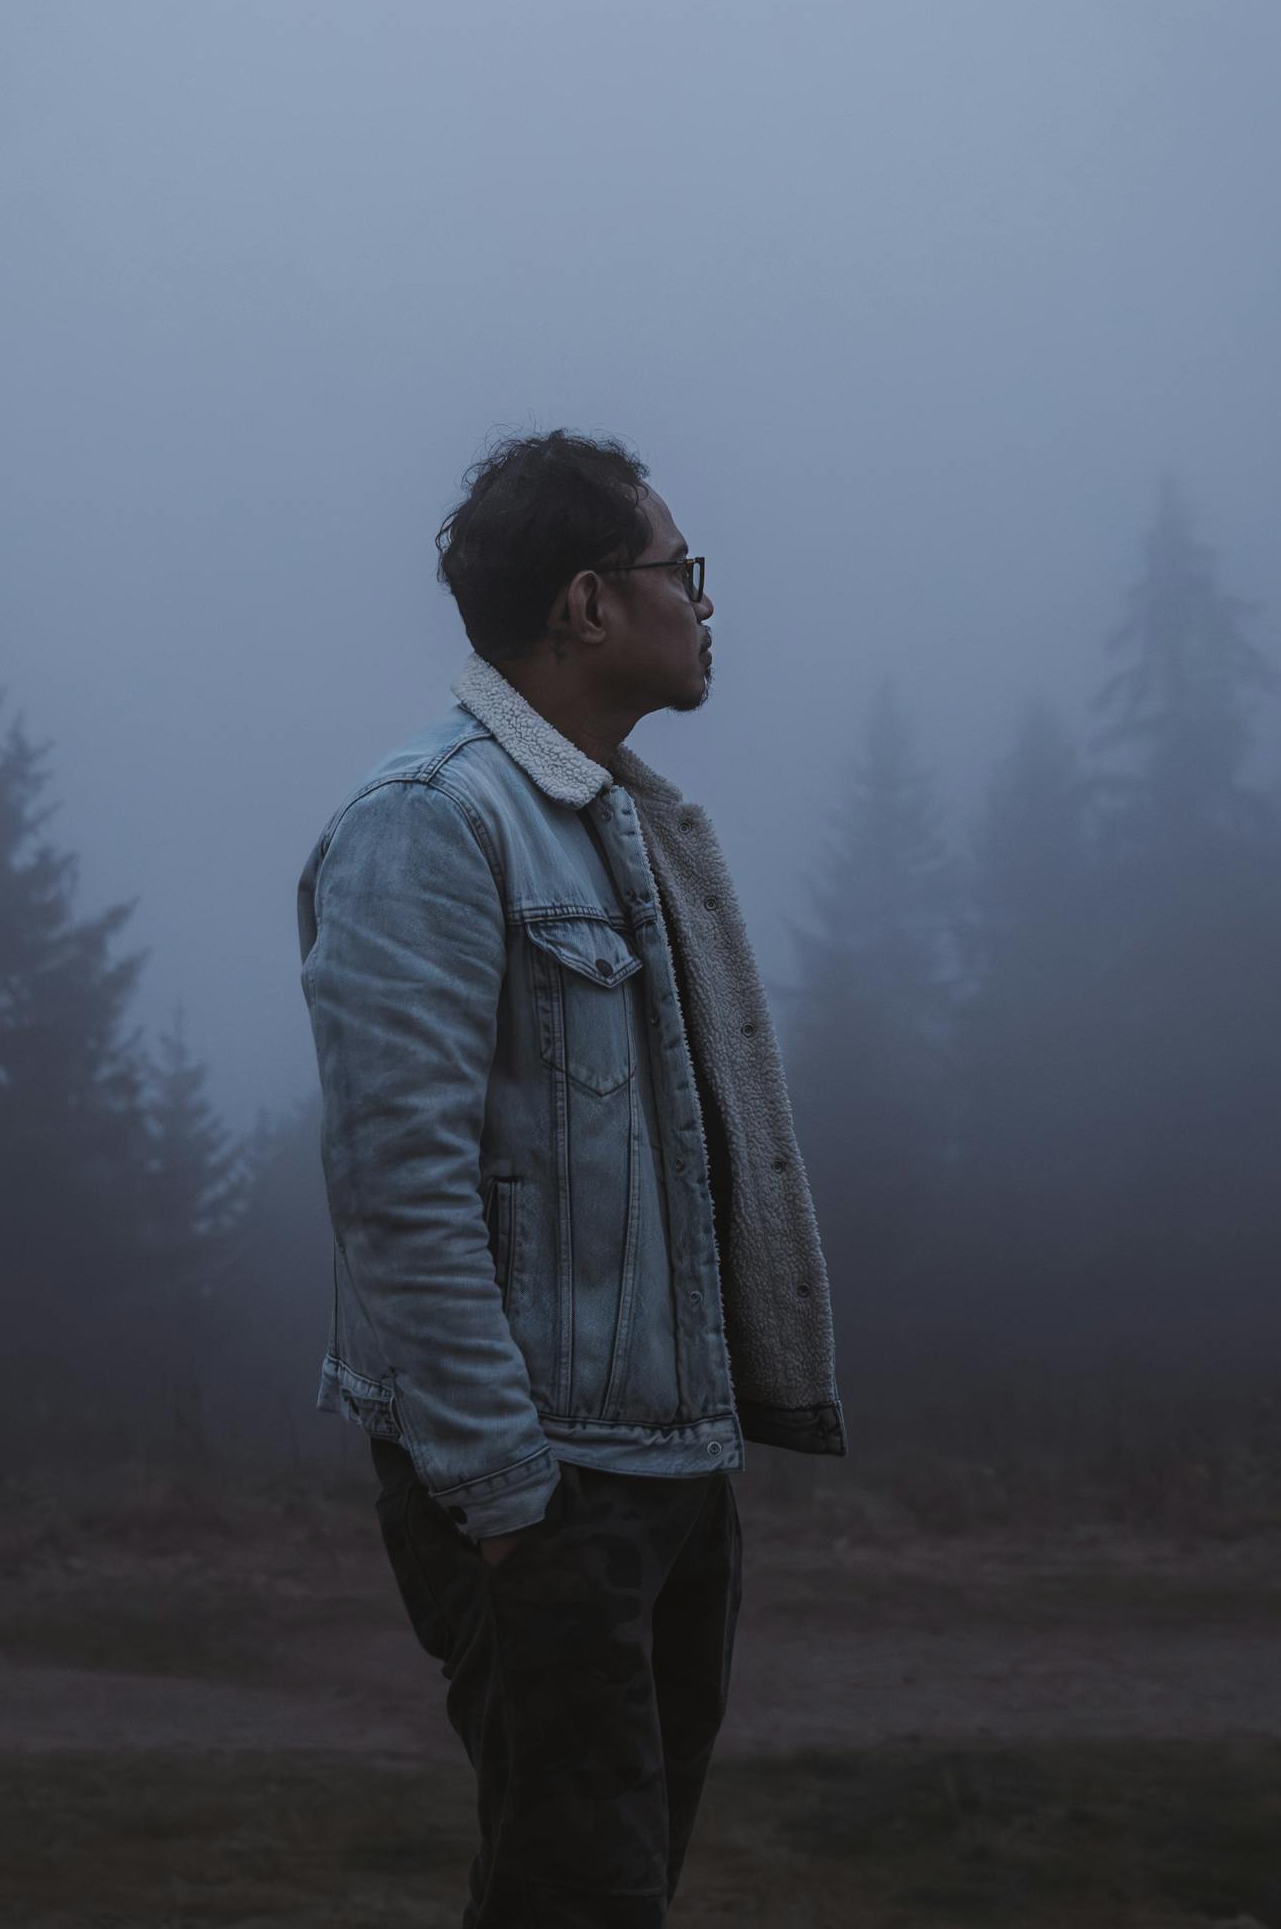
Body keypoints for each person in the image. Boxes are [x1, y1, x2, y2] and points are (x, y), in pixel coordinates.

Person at [296, 428, 844, 1928]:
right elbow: (398, 1188)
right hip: (547, 1485)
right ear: (589, 603)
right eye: (685, 569)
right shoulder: (430, 823)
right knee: (578, 1899)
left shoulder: (631, 827)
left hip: (670, 1467)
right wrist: (509, 1500)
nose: (707, 602)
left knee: (615, 1890)